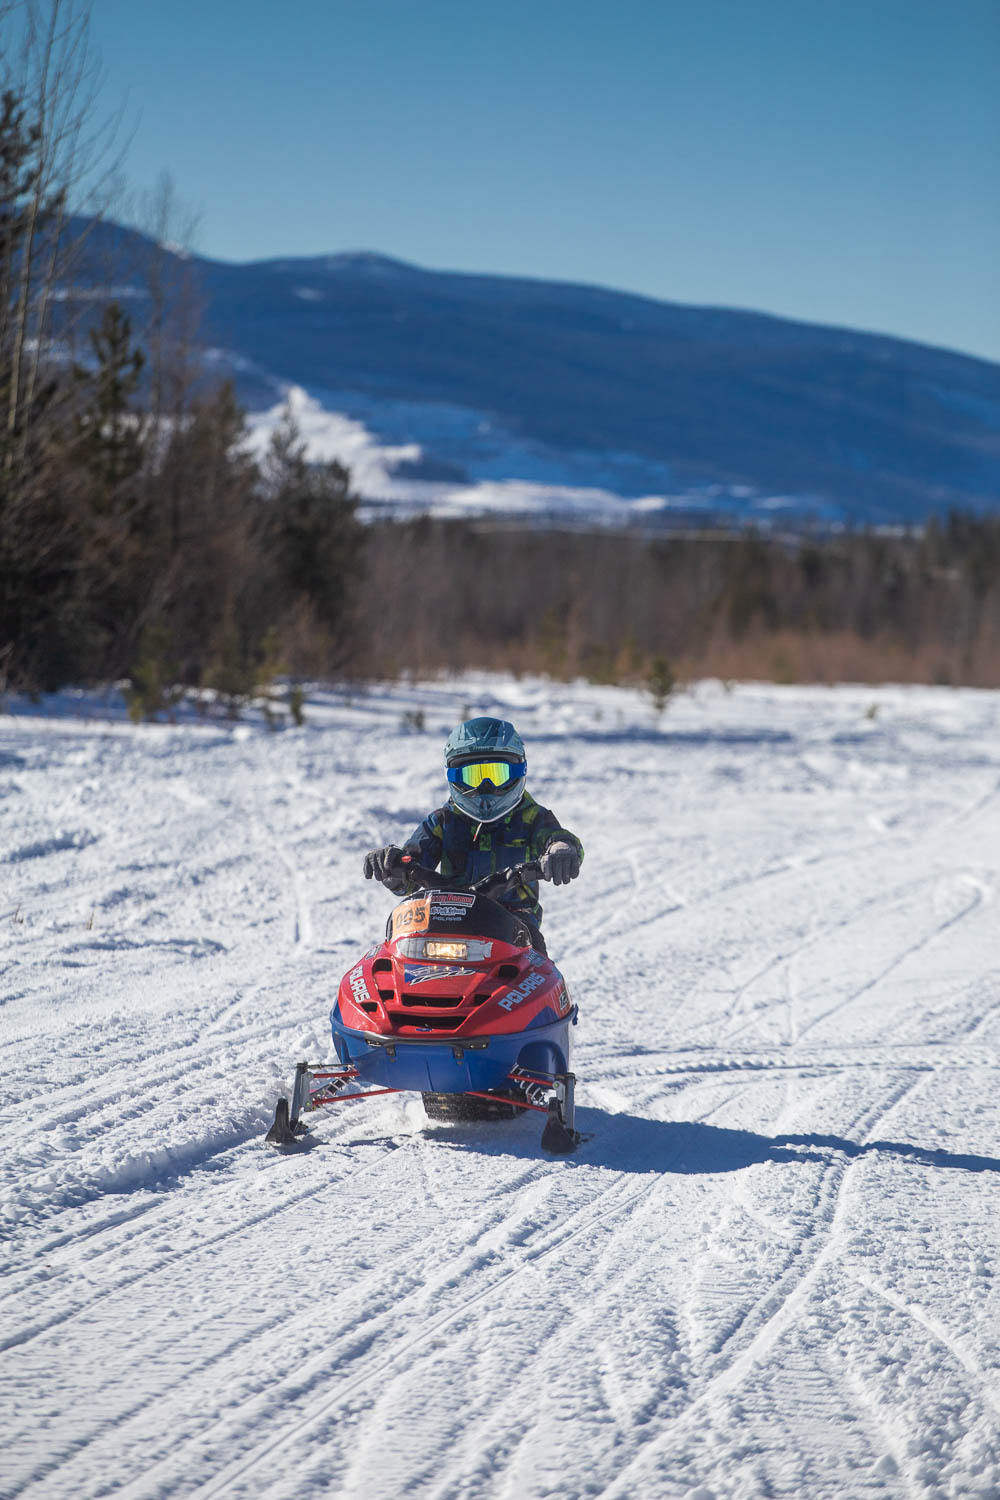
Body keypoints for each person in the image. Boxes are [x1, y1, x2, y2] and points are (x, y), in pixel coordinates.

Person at [363, 717, 583, 954]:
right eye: (473, 776)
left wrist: (561, 849)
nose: (485, 787)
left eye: (497, 774)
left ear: (519, 771)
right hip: (444, 915)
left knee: (534, 959)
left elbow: (555, 836)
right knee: (398, 954)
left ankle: (540, 978)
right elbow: (411, 865)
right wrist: (392, 866)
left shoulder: (531, 817)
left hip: (513, 923)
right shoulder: (443, 821)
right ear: (454, 776)